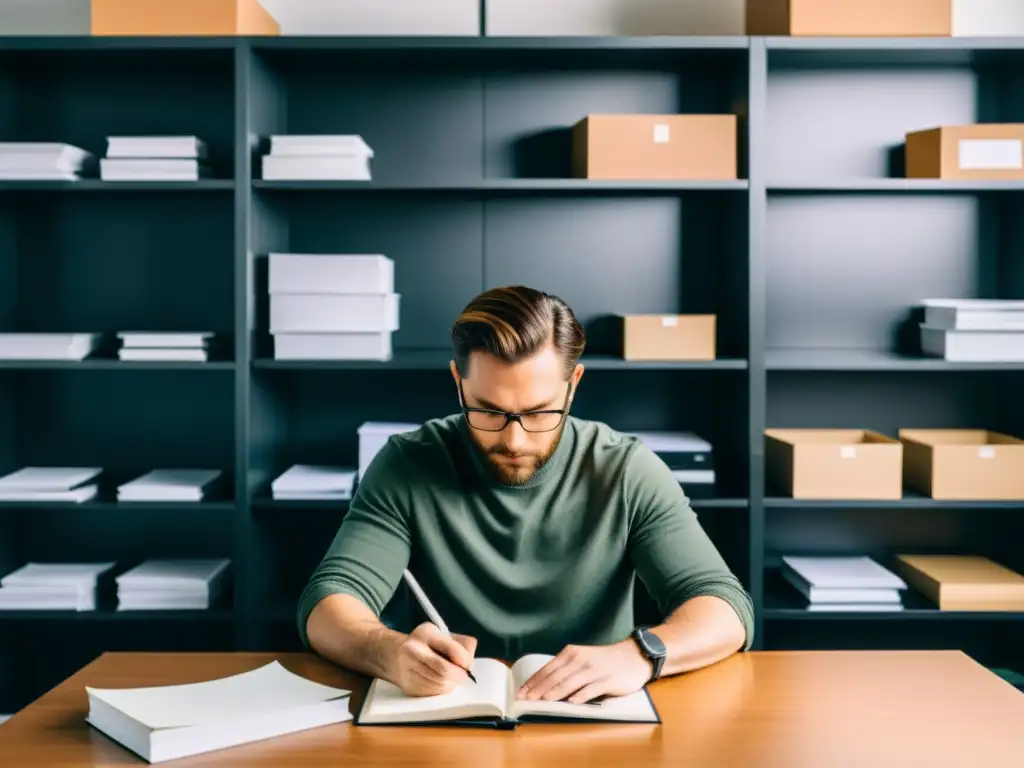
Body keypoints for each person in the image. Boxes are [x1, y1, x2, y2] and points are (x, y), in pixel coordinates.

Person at [298, 285, 754, 705]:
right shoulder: (407, 463)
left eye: (539, 413)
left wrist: (640, 654)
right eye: (489, 411)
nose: (514, 441)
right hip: (448, 717)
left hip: (595, 721)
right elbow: (328, 601)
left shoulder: (626, 468)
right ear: (459, 381)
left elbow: (724, 607)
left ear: (573, 384)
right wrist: (389, 652)